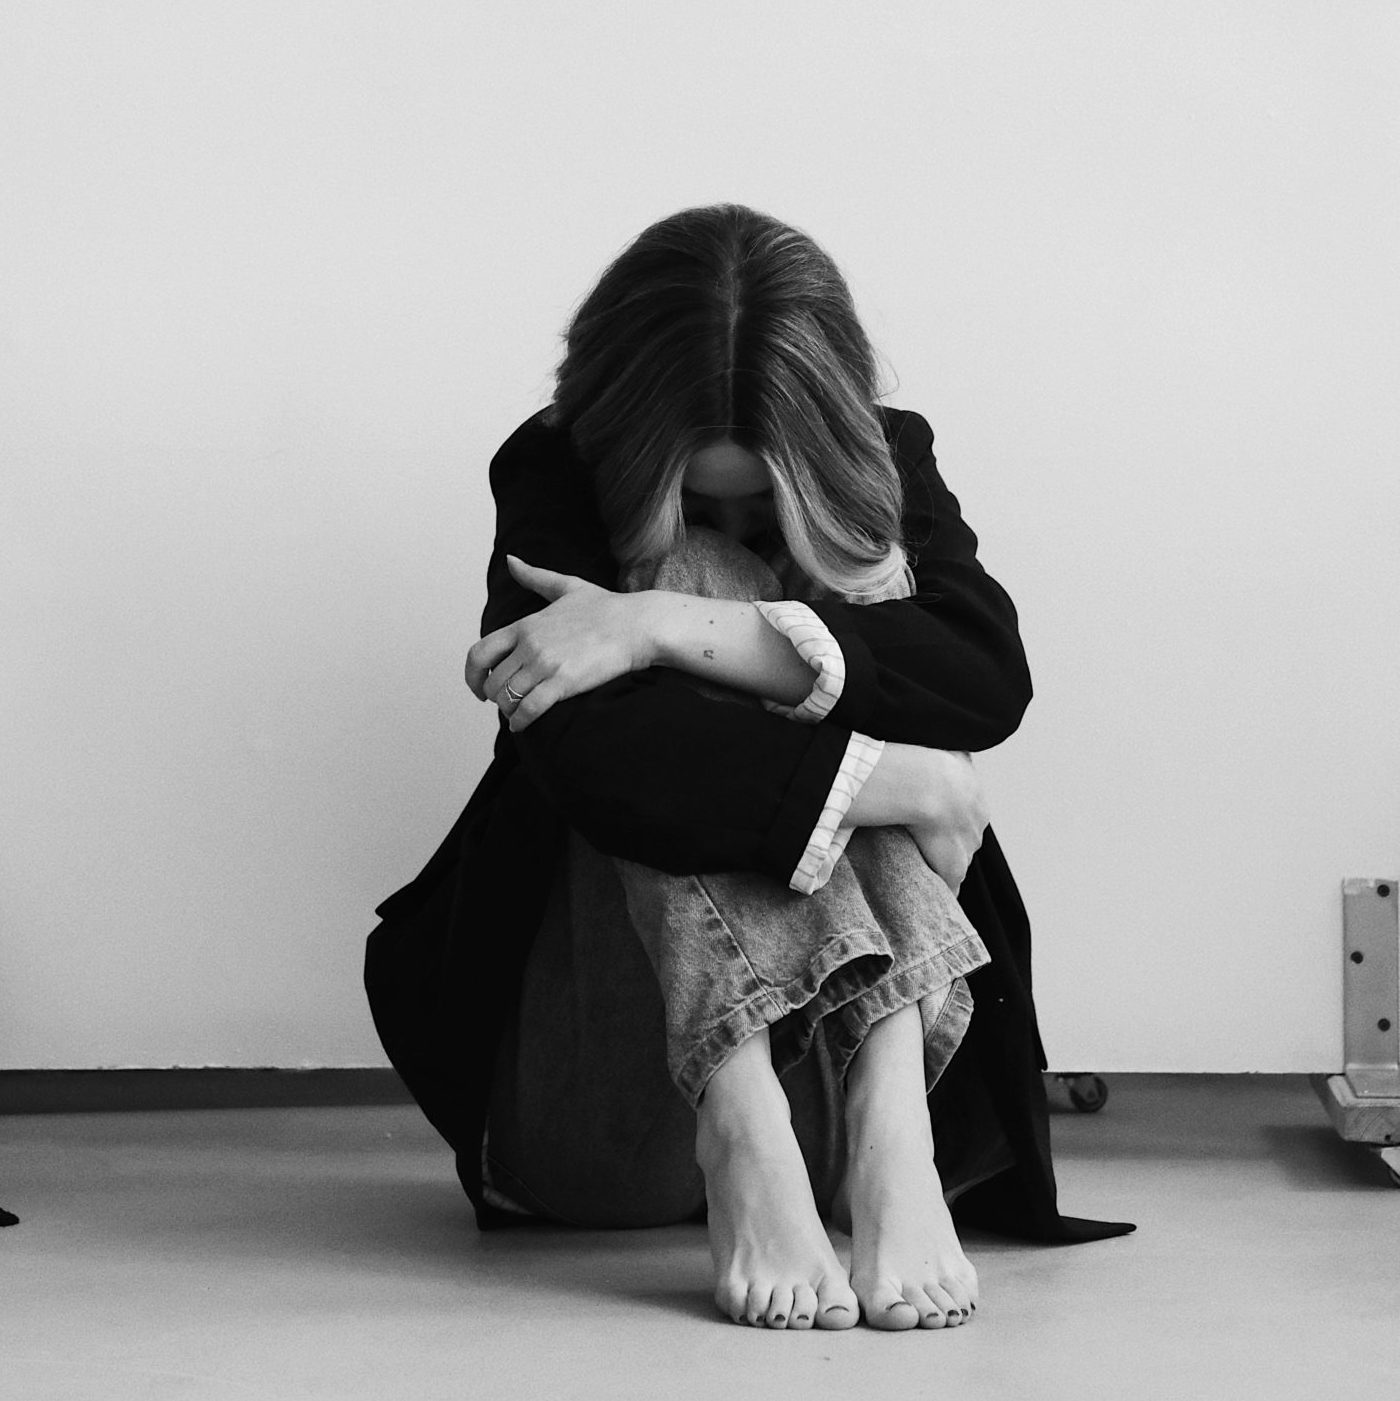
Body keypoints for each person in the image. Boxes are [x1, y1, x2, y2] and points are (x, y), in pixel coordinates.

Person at [364, 204, 1133, 1333]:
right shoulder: (554, 468)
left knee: (830, 605)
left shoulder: (887, 452)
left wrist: (658, 625)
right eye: (700, 486)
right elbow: (594, 760)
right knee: (696, 604)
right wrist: (899, 780)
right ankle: (739, 1121)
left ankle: (887, 1116)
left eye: (762, 498)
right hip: (608, 1109)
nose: (736, 514)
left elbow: (982, 677)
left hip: (876, 1073)